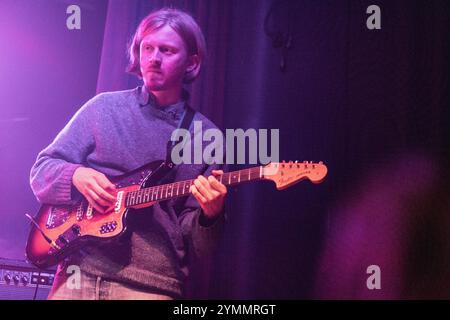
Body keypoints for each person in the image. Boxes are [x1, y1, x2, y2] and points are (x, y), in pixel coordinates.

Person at [29, 8, 227, 300]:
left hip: (150, 286)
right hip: (77, 274)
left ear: (191, 62)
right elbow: (41, 171)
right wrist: (76, 175)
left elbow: (200, 247)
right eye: (148, 48)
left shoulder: (207, 137)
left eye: (167, 50)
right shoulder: (102, 108)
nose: (154, 58)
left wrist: (212, 216)